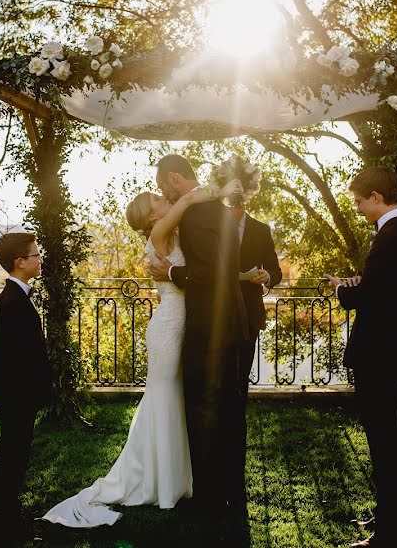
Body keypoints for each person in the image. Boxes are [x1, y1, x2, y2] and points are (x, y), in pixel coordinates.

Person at [40, 176, 244, 527]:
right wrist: (221, 186)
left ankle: (180, 476)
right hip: (168, 326)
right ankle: (159, 480)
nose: (164, 198)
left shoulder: (172, 231)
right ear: (152, 217)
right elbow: (185, 202)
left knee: (177, 396)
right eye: (157, 199)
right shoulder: (159, 232)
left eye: (161, 196)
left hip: (183, 322)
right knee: (163, 394)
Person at [323, 166, 397, 548]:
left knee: (384, 442)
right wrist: (358, 283)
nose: (359, 208)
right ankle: (385, 516)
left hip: (378, 355)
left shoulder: (393, 238)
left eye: (360, 201)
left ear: (377, 198)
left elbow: (375, 298)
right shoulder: (394, 235)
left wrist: (342, 293)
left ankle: (389, 533)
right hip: (383, 351)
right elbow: (382, 285)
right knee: (382, 440)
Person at [149, 154, 250, 514]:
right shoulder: (217, 209)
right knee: (230, 407)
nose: (162, 192)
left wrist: (173, 274)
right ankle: (232, 488)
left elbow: (212, 272)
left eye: (162, 185)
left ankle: (209, 494)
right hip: (229, 322)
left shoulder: (194, 215)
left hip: (210, 326)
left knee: (204, 407)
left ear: (175, 179)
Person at [0, 232, 54, 540]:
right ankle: (7, 517)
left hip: (19, 390)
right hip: (19, 394)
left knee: (16, 450)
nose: (39, 258)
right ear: (20, 262)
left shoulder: (17, 296)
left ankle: (5, 508)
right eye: (35, 255)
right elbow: (1, 349)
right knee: (14, 453)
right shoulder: (12, 301)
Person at [229, 200, 281, 505]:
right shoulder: (214, 226)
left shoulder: (261, 229)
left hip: (249, 316)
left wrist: (267, 279)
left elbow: (274, 270)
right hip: (218, 316)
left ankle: (236, 467)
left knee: (239, 390)